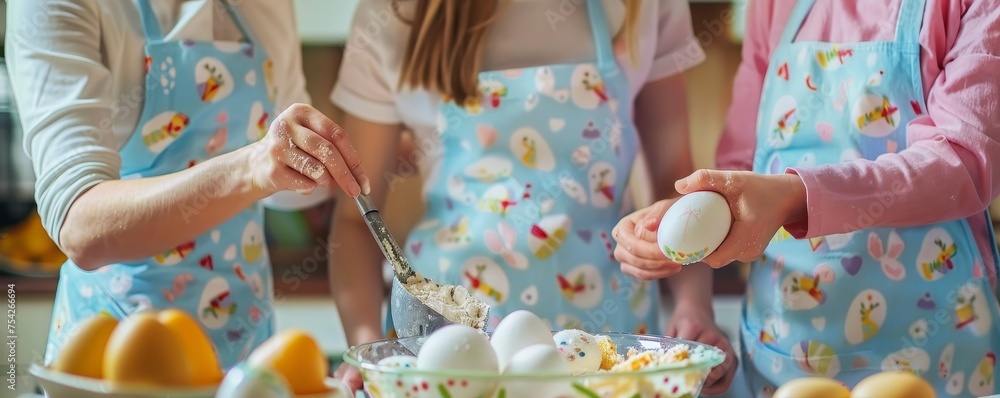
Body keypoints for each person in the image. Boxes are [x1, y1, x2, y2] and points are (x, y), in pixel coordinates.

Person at [328, 0, 736, 393]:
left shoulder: (640, 6)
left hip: (608, 348)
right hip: (444, 357)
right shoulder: (394, 14)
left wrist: (694, 308)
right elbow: (355, 218)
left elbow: (676, 188)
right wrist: (368, 351)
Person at [614, 0, 1000, 396]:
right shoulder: (773, 7)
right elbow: (739, 167)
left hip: (937, 360)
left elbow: (964, 161)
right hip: (784, 359)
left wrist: (796, 196)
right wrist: (690, 216)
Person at [7, 0, 369, 369]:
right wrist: (252, 166)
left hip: (243, 359)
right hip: (113, 357)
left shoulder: (268, 6)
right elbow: (80, 226)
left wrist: (348, 155)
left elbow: (287, 183)